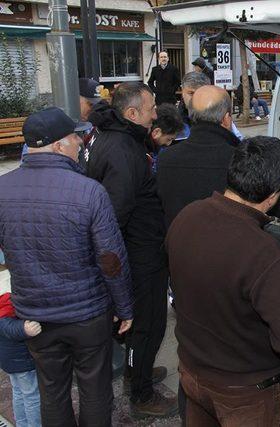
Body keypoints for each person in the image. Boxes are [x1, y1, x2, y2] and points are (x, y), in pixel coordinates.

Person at [165, 136, 280, 426]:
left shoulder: (187, 216)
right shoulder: (263, 251)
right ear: (275, 194)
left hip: (191, 373)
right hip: (243, 394)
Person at [0, 107, 134, 426]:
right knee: (95, 390)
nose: (80, 143)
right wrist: (125, 306)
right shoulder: (89, 191)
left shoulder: (3, 190)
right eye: (75, 137)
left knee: (52, 392)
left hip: (35, 315)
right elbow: (111, 259)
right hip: (87, 315)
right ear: (59, 145)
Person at [86, 82, 177, 418]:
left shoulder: (113, 136)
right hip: (140, 256)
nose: (156, 114)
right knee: (146, 325)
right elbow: (115, 215)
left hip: (140, 249)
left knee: (142, 326)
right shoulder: (123, 150)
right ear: (132, 113)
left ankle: (136, 372)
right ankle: (141, 394)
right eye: (152, 108)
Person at [157, 85, 240, 226]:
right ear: (226, 119)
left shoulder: (166, 158)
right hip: (229, 244)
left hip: (178, 242)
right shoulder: (239, 159)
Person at [0, 268, 42, 427]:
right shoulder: (6, 295)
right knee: (32, 396)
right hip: (21, 359)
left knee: (18, 392)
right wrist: (24, 328)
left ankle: (22, 424)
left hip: (9, 359)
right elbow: (5, 325)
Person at [148, 103, 185, 173]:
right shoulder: (142, 151)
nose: (168, 144)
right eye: (169, 139)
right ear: (156, 132)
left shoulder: (153, 145)